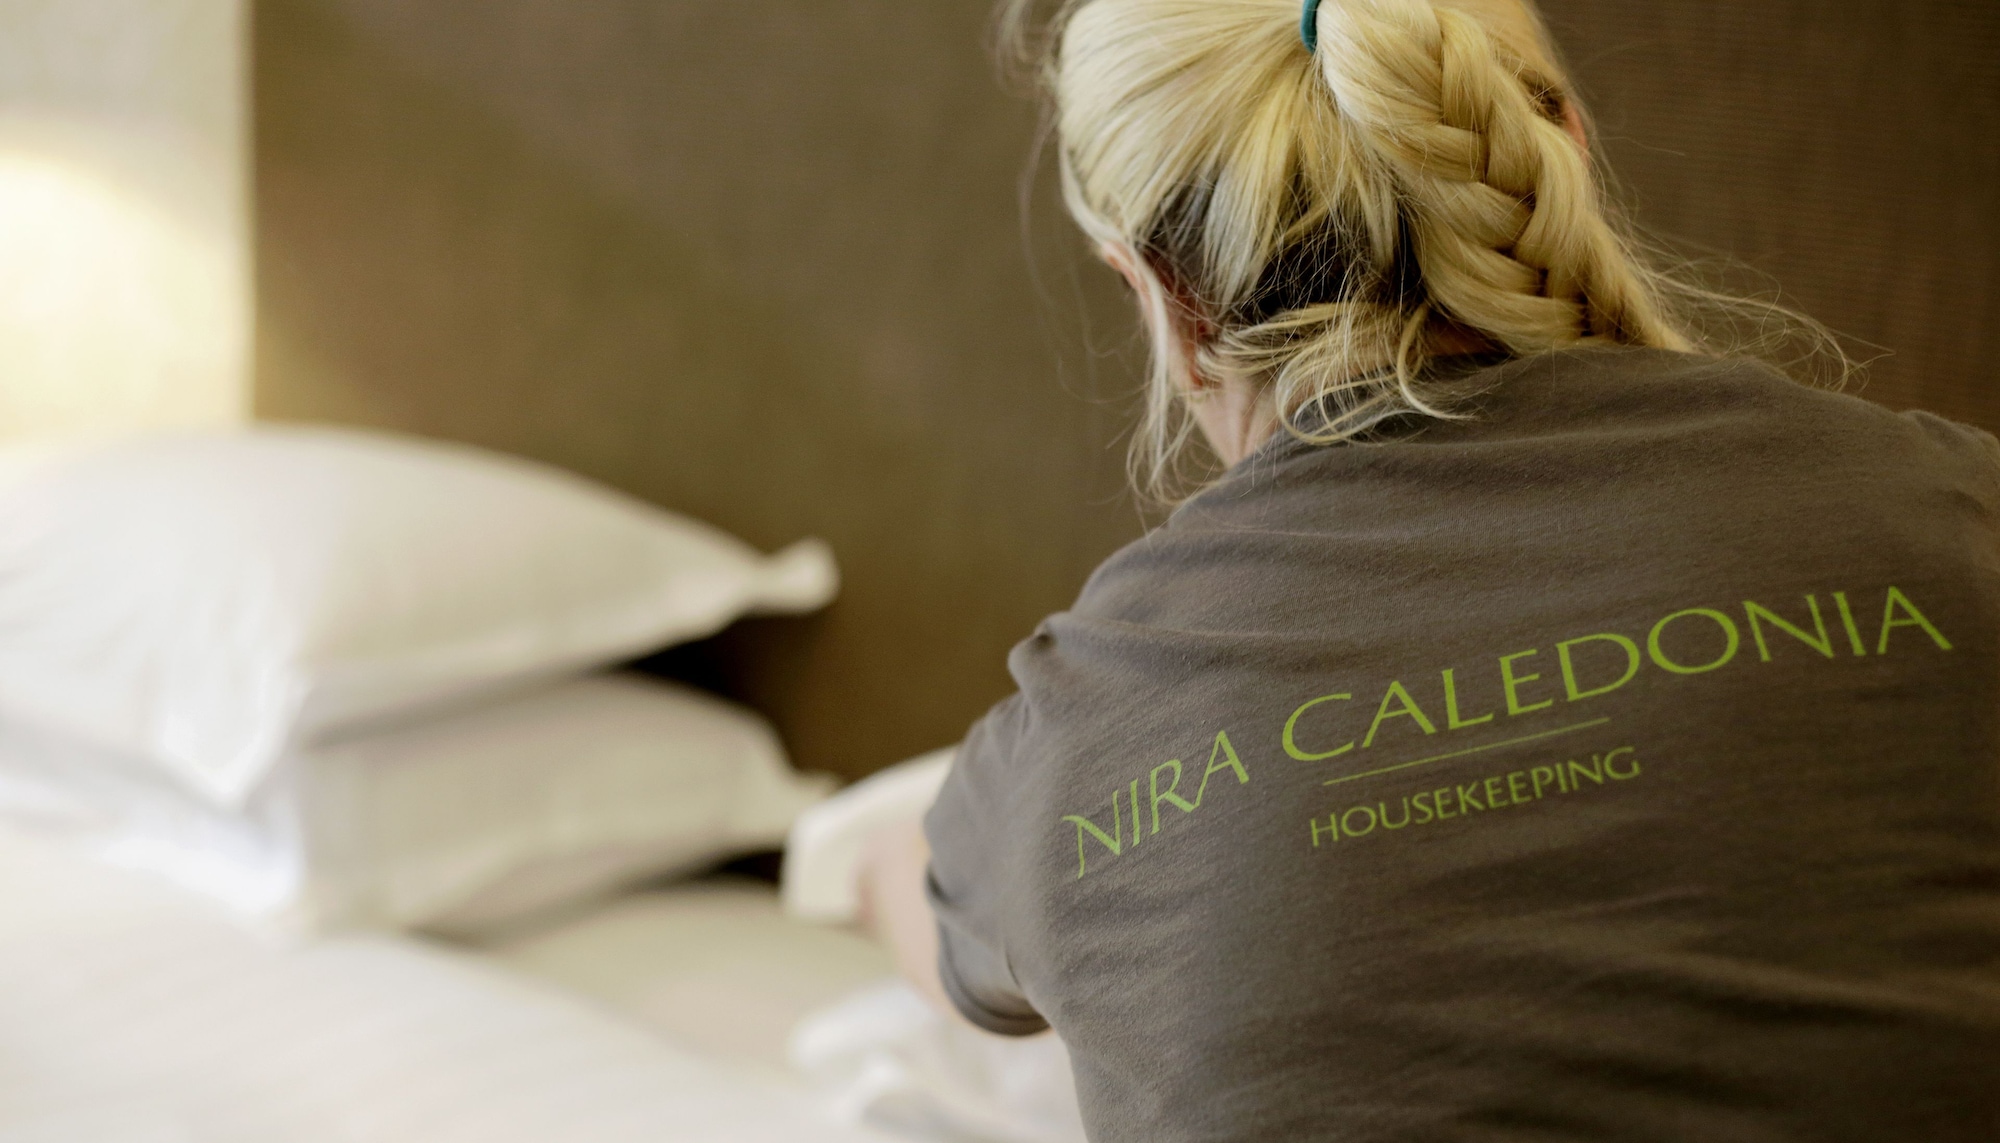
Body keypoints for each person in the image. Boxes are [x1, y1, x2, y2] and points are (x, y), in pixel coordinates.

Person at [859, 0, 2000, 1138]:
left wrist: (933, 857)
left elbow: (912, 895)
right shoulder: (1956, 516)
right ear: (1560, 149)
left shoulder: (1078, 723)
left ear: (1163, 298)